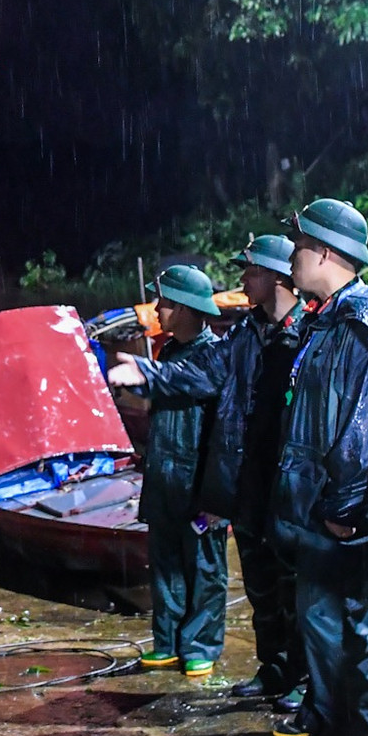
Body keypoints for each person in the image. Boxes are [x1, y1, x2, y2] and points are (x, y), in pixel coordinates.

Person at [104, 234, 310, 702]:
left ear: (278, 276)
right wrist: (149, 375)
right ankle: (274, 670)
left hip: (285, 476)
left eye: (251, 271)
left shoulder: (306, 334)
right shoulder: (244, 335)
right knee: (260, 586)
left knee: (289, 587)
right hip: (247, 478)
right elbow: (203, 378)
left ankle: (302, 679)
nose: (241, 280)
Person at [268, 199, 368, 736]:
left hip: (340, 512)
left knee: (339, 623)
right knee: (323, 621)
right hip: (317, 505)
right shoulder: (325, 317)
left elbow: (362, 427)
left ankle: (350, 727)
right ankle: (330, 711)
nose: (292, 258)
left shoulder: (361, 327)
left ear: (326, 252)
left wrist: (344, 508)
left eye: (300, 247)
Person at [121, 265, 231, 678]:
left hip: (199, 482)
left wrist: (220, 492)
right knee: (165, 563)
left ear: (186, 309)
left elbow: (215, 417)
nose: (157, 309)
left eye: (165, 303)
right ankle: (167, 640)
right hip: (165, 477)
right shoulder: (167, 352)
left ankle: (200, 644)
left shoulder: (214, 356)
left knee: (204, 567)